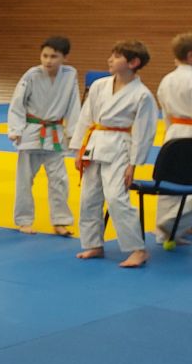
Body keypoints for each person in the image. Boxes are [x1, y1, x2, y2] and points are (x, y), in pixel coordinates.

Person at [72, 40, 158, 268]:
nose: (110, 59)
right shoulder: (99, 85)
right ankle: (93, 244)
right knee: (89, 197)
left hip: (120, 148)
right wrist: (79, 149)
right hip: (94, 144)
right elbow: (86, 117)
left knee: (116, 198)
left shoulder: (142, 95)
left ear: (133, 62)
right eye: (111, 55)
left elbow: (144, 132)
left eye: (117, 56)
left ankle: (138, 249)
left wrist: (133, 164)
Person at [7, 36, 80, 236]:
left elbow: (74, 105)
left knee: (59, 180)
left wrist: (73, 134)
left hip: (55, 134)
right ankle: (24, 220)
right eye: (45, 56)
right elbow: (17, 102)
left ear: (65, 57)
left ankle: (60, 221)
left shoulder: (70, 75)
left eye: (54, 57)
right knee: (24, 180)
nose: (48, 61)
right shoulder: (32, 74)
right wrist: (15, 129)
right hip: (31, 133)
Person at [157, 33, 192, 244]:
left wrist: (171, 131)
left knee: (170, 184)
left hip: (173, 135)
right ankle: (173, 223)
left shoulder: (167, 79)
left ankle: (165, 233)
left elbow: (165, 112)